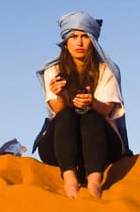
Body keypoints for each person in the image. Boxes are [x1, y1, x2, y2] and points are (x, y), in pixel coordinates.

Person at [36, 12, 130, 199]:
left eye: (85, 36)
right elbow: (58, 110)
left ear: (93, 40)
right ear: (66, 41)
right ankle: (70, 179)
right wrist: (62, 96)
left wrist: (92, 103)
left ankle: (95, 180)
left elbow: (107, 109)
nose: (79, 43)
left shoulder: (105, 70)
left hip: (101, 143)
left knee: (91, 116)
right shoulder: (53, 70)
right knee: (66, 115)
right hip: (60, 144)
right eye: (74, 37)